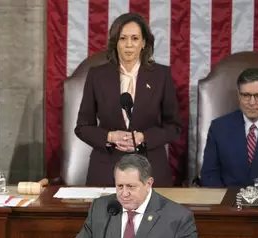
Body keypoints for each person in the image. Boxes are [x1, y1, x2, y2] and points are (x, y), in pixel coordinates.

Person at [75, 12, 182, 187]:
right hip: (106, 168)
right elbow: (82, 127)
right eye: (123, 38)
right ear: (115, 43)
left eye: (134, 38)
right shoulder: (97, 76)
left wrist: (143, 137)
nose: (129, 45)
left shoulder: (161, 75)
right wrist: (109, 136)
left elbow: (174, 127)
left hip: (149, 167)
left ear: (144, 43)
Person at [65, 154, 203, 238]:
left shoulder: (177, 216)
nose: (124, 194)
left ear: (148, 184)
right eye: (119, 186)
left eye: (131, 187)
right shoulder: (101, 208)